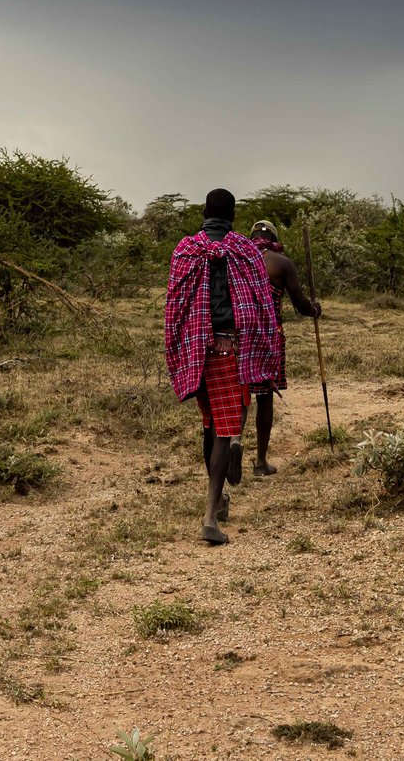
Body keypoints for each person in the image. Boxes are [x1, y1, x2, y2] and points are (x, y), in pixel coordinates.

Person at [162, 188, 283, 545]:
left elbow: (174, 305)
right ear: (233, 216)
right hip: (229, 351)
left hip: (194, 351)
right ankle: (210, 516)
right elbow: (262, 305)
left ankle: (220, 500)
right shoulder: (246, 252)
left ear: (204, 212)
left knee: (210, 425)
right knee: (224, 432)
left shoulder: (185, 249)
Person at [244, 220, 321, 476]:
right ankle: (260, 462)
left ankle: (233, 442)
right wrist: (315, 310)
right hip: (268, 337)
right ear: (274, 239)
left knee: (239, 395)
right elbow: (301, 305)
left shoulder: (236, 258)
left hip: (237, 336)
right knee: (264, 396)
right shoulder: (282, 262)